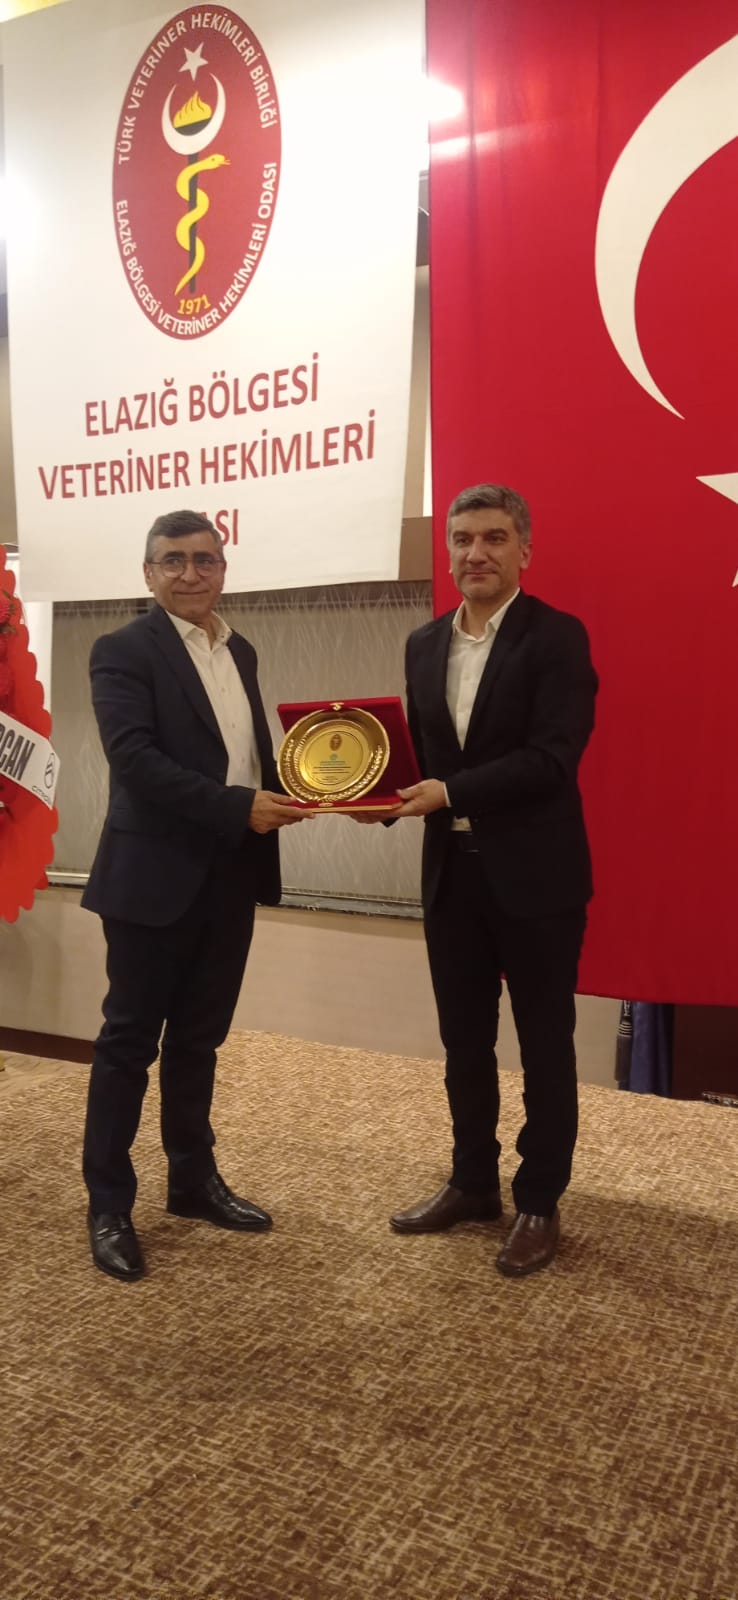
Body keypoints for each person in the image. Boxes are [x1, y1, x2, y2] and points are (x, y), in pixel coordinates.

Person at [81, 509, 302, 1282]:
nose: (189, 573)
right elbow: (135, 761)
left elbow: (244, 755)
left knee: (200, 1041)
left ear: (223, 570)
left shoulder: (239, 649)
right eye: (172, 560)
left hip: (230, 873)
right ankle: (109, 1205)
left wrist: (316, 788)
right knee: (128, 1044)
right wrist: (238, 807)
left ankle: (191, 1181)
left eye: (204, 559)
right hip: (151, 878)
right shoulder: (121, 651)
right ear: (148, 574)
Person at [385, 483, 597, 1276]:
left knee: (545, 1043)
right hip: (453, 875)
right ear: (448, 551)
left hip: (538, 876)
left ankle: (539, 1199)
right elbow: (422, 757)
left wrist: (449, 793)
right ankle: (472, 1181)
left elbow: (552, 758)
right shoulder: (423, 644)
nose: (476, 553)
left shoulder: (558, 637)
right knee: (463, 1041)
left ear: (524, 550)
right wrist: (379, 796)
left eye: (494, 538)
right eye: (463, 539)